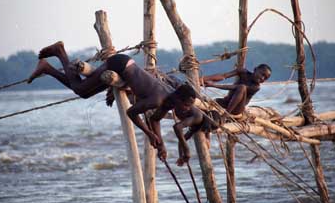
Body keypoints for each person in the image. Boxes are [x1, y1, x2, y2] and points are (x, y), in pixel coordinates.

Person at [27, 41, 198, 160]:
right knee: (80, 88)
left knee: (84, 92)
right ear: (179, 98)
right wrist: (149, 134)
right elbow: (131, 112)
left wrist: (161, 145)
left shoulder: (168, 101)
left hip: (125, 68)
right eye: (186, 105)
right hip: (119, 64)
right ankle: (60, 52)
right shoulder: (158, 99)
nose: (185, 110)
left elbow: (155, 120)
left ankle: (47, 68)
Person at [201, 64, 271, 116]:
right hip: (227, 101)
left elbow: (235, 87)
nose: (262, 78)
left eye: (265, 78)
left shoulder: (256, 87)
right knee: (212, 102)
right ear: (255, 69)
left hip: (237, 109)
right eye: (262, 74)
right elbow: (224, 76)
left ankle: (226, 115)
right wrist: (203, 79)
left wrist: (214, 85)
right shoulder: (243, 72)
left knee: (242, 87)